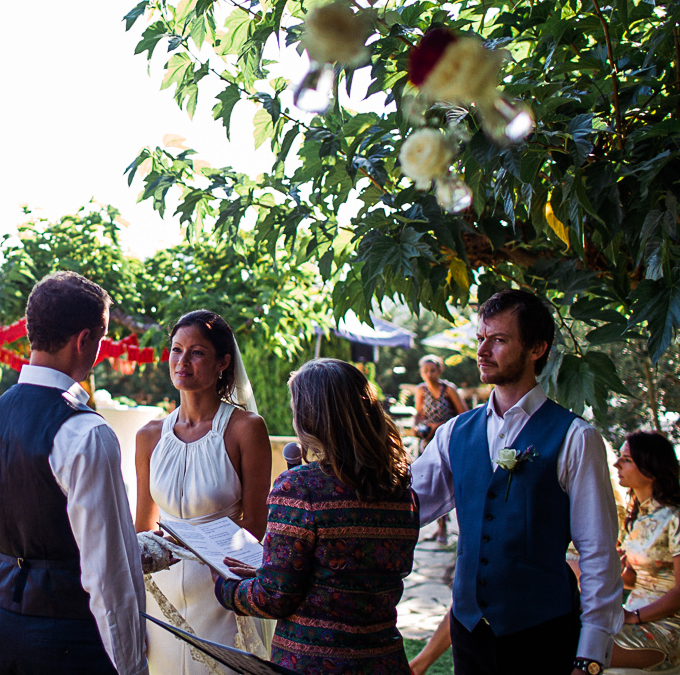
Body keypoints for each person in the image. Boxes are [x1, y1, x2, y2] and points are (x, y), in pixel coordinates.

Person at [410, 289, 621, 675]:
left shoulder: (576, 437)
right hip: (469, 631)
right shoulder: (454, 433)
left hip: (542, 632)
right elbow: (406, 505)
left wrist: (591, 653)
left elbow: (598, 551)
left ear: (537, 348)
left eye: (500, 340)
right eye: (481, 339)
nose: (483, 350)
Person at [0, 270, 146, 675]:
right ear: (85, 340)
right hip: (71, 639)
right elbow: (107, 571)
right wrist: (132, 665)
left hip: (0, 626)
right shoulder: (85, 431)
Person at [212, 359, 417, 675]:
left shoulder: (300, 488)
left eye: (296, 411)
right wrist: (268, 571)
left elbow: (274, 598)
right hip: (385, 661)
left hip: (314, 665)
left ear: (310, 418)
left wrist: (225, 587)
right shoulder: (402, 490)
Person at [136, 310, 272, 673]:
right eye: (176, 350)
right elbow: (142, 527)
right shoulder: (148, 436)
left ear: (223, 363)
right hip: (160, 597)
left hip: (221, 592)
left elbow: (258, 525)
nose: (182, 362)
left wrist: (223, 574)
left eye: (196, 352)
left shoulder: (246, 428)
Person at [610, 431, 680, 670]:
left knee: (575, 650)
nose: (616, 464)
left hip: (664, 629)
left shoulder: (679, 518)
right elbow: (636, 580)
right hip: (631, 617)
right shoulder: (637, 518)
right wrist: (614, 573)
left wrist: (635, 617)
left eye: (627, 459)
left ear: (651, 470)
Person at [413, 355, 466, 543]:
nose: (429, 374)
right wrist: (419, 426)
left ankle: (453, 529)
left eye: (432, 370)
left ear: (439, 371)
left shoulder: (448, 389)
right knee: (432, 482)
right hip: (428, 441)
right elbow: (419, 414)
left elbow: (464, 415)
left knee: (450, 483)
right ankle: (439, 527)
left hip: (448, 441)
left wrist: (440, 426)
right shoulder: (421, 390)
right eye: (425, 371)